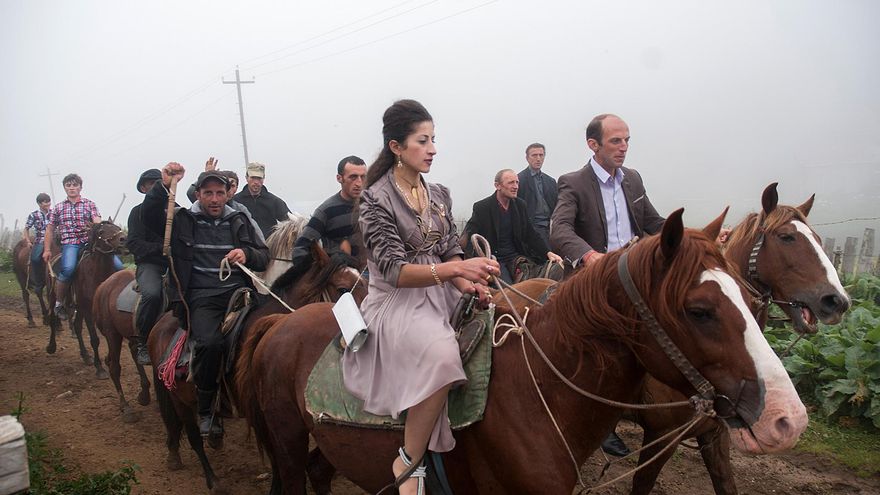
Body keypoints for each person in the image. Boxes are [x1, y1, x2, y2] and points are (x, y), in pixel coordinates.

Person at [342, 99, 499, 495]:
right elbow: (394, 272)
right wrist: (456, 271)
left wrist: (469, 284)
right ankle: (408, 457)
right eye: (422, 140)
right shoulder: (375, 199)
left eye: (433, 140)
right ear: (396, 146)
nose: (432, 149)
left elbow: (449, 249)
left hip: (441, 290)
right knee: (443, 355)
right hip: (396, 302)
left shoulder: (439, 193)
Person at [550, 113, 665, 456]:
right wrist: (589, 258)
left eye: (627, 140)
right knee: (600, 354)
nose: (624, 147)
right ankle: (601, 424)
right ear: (593, 144)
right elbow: (559, 231)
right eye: (616, 141)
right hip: (596, 284)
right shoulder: (573, 182)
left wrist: (691, 238)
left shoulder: (632, 179)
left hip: (634, 279)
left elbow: (654, 223)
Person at [142, 164, 269, 436]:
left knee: (271, 335)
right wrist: (163, 186)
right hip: (202, 296)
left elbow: (263, 255)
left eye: (219, 193)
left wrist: (247, 254)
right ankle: (206, 408)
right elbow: (148, 217)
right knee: (210, 344)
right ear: (198, 194)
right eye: (208, 193)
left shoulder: (240, 220)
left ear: (227, 194)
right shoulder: (182, 220)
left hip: (240, 294)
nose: (214, 198)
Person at [43, 173, 124, 320]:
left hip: (88, 243)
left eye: (75, 185)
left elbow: (96, 221)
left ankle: (117, 300)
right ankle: (60, 303)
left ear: (80, 187)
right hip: (70, 244)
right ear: (65, 188)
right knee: (68, 269)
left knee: (118, 266)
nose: (72, 188)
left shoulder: (89, 204)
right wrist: (47, 249)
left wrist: (100, 225)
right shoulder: (58, 208)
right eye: (68, 185)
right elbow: (49, 229)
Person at [462, 169, 562, 283]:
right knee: (509, 292)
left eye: (517, 182)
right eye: (511, 183)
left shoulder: (520, 205)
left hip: (516, 259)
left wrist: (548, 252)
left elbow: (530, 234)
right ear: (497, 186)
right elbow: (471, 239)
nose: (515, 186)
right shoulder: (482, 207)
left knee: (540, 283)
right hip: (495, 260)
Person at [290, 155, 366, 266]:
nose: (359, 183)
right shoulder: (326, 210)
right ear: (339, 178)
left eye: (363, 177)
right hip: (342, 278)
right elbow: (300, 250)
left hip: (377, 276)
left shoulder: (375, 207)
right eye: (353, 177)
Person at [126, 169, 166, 365]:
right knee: (152, 294)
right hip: (150, 264)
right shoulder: (137, 212)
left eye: (159, 182)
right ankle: (142, 341)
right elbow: (133, 243)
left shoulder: (175, 210)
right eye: (151, 183)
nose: (156, 186)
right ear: (143, 188)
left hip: (177, 264)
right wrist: (160, 248)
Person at [186, 157, 265, 242]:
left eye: (232, 185)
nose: (214, 200)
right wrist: (207, 175)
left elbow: (256, 232)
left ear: (236, 188)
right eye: (209, 192)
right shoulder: (202, 205)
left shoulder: (239, 209)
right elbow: (191, 193)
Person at [232, 162, 291, 238]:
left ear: (263, 178)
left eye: (259, 178)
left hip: (268, 246)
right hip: (244, 246)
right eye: (253, 178)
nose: (256, 182)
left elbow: (290, 223)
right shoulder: (236, 201)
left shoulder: (274, 201)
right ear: (246, 178)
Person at [517, 143, 557, 248]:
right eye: (534, 155)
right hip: (532, 227)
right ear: (527, 158)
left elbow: (557, 205)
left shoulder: (550, 181)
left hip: (550, 227)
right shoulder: (519, 180)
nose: (538, 158)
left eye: (541, 155)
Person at [23, 193, 52, 291]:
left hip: (53, 239)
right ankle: (38, 282)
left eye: (49, 201)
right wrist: (28, 241)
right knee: (35, 259)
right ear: (39, 204)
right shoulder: (34, 215)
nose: (48, 203)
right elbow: (26, 228)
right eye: (45, 202)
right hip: (40, 240)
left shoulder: (53, 213)